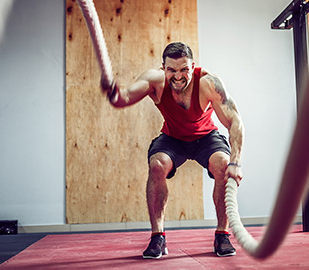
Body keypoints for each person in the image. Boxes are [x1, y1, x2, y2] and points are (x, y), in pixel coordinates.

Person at [101, 42, 244, 259]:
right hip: (172, 138)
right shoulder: (155, 81)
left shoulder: (208, 83)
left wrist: (236, 162)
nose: (178, 76)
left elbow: (235, 121)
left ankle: (222, 235)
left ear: (192, 66)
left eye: (184, 69)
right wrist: (113, 92)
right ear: (163, 68)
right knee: (157, 164)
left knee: (223, 165)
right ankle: (157, 237)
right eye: (172, 70)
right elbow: (125, 98)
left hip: (205, 137)